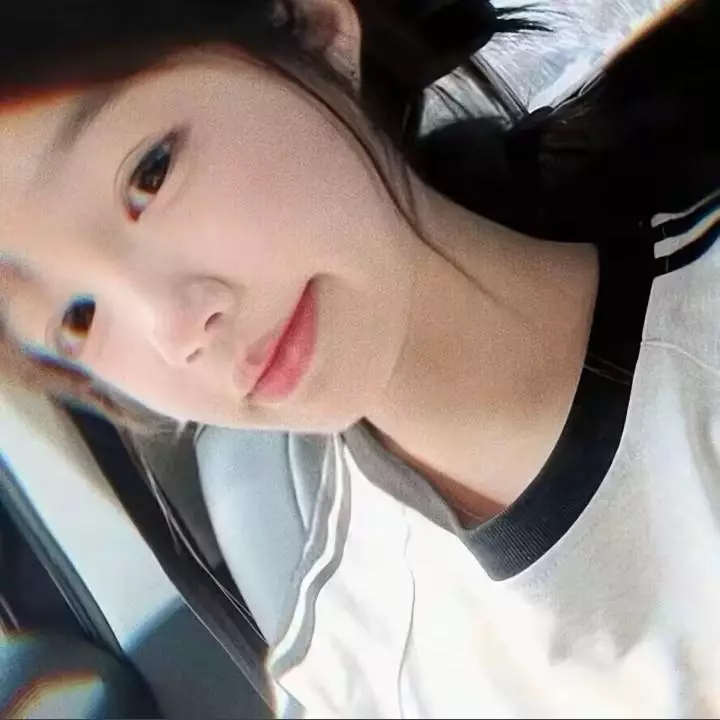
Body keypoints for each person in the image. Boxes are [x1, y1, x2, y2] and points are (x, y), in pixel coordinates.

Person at [1, 0, 719, 715]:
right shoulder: (342, 662)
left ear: (306, 25)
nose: (176, 327)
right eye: (78, 319)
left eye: (150, 174)